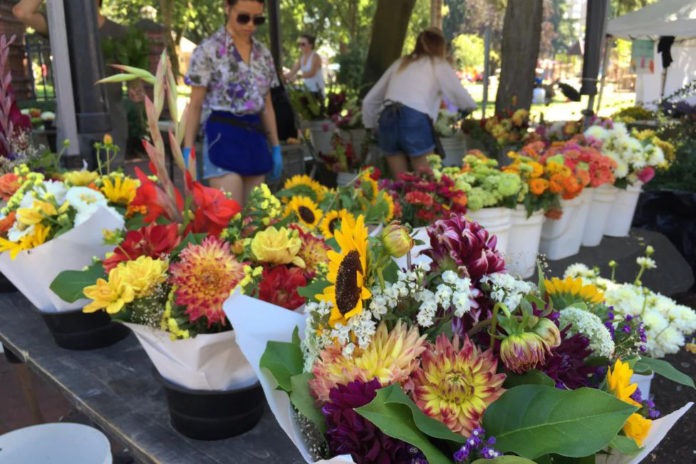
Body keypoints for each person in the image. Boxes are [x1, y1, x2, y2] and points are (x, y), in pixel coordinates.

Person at [184, 0, 282, 206]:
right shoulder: (207, 51)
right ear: (227, 9)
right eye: (244, 17)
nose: (251, 25)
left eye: (258, 19)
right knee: (229, 218)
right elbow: (195, 105)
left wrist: (275, 146)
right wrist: (188, 149)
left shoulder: (263, 54)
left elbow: (267, 106)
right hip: (223, 134)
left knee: (255, 223)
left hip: (254, 136)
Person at [13, 0, 129, 167]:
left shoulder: (119, 33)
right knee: (72, 183)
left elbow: (134, 74)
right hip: (71, 123)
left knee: (115, 186)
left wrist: (136, 87)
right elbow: (22, 12)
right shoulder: (61, 27)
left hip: (112, 123)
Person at [362, 27, 477, 176]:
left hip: (388, 118)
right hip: (415, 120)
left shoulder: (401, 62)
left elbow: (370, 100)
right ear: (441, 46)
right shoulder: (439, 64)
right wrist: (468, 108)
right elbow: (460, 96)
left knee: (401, 183)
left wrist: (371, 126)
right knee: (425, 183)